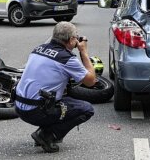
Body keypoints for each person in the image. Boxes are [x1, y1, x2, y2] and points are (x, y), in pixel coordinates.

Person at [15, 21, 96, 153]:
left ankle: (45, 130)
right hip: (35, 111)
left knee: (61, 99)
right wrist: (83, 51)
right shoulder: (66, 58)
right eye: (76, 37)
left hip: (19, 106)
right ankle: (47, 135)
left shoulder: (38, 48)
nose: (77, 40)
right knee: (86, 109)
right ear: (70, 40)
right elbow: (91, 81)